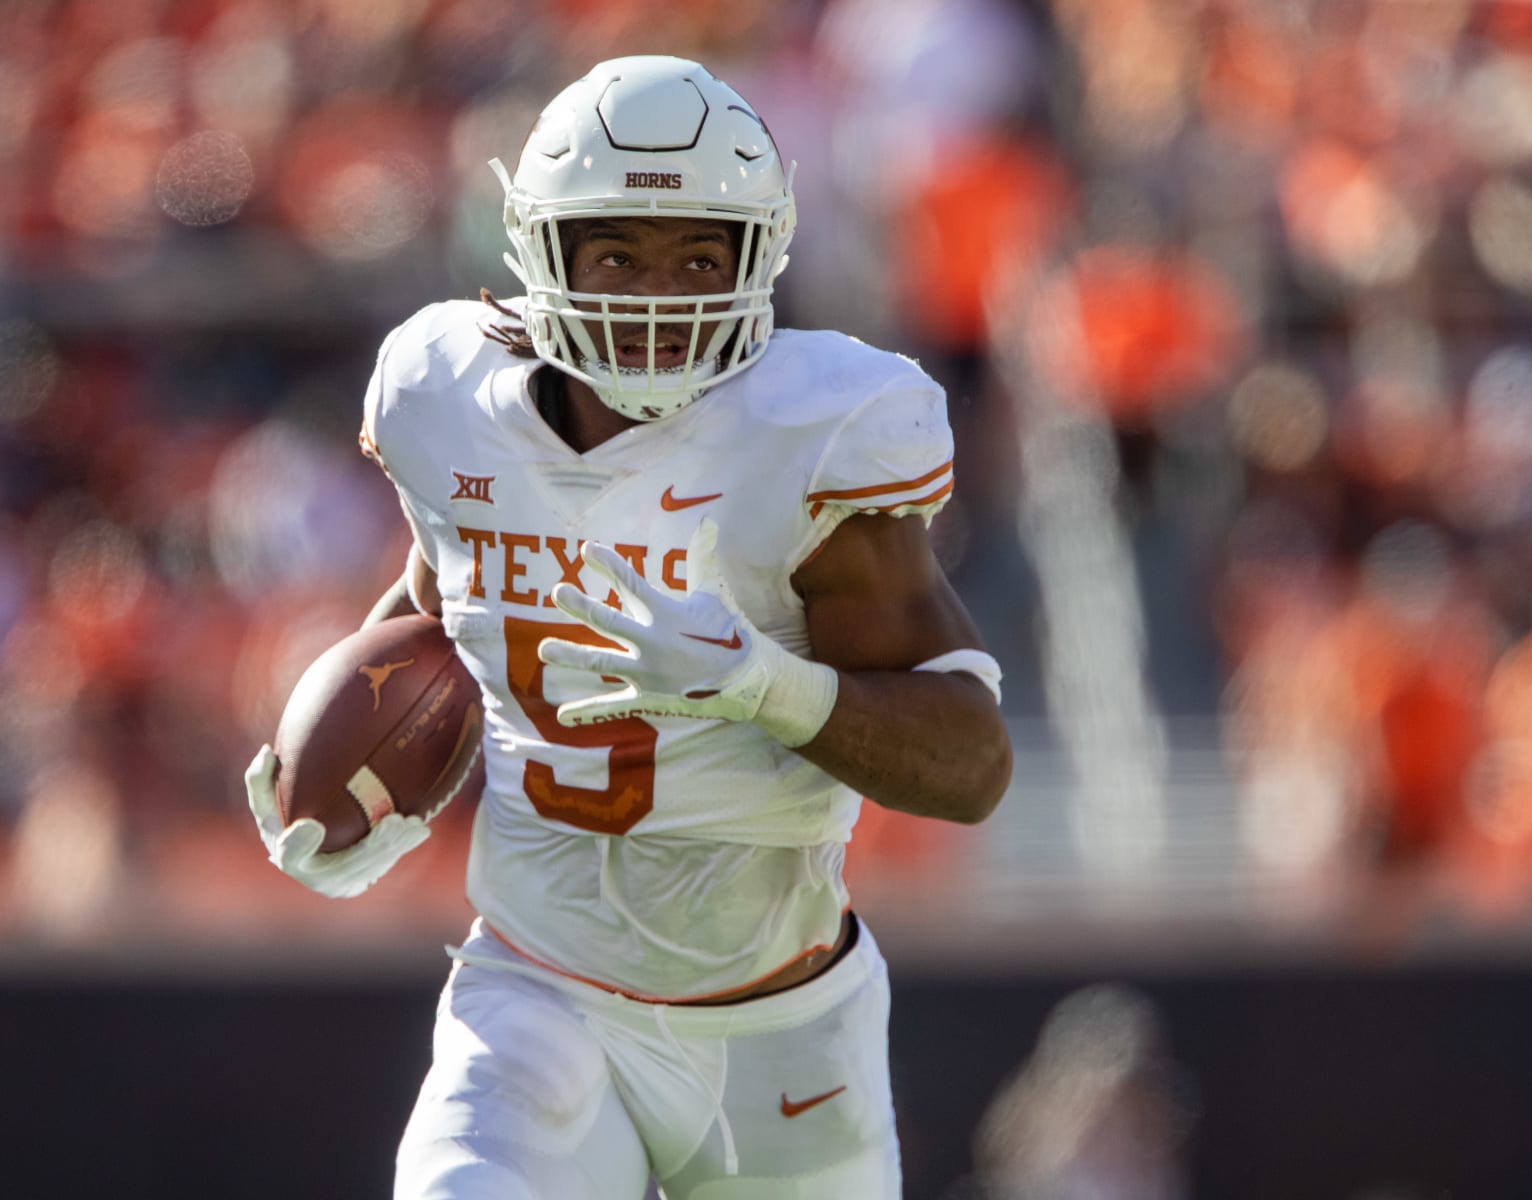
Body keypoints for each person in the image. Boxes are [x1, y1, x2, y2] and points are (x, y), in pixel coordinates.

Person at [245, 55, 1012, 1199]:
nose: (657, 297)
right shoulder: (446, 399)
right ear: (539, 249)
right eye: (616, 251)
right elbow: (438, 615)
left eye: (699, 255)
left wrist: (763, 686)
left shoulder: (809, 434)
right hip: (536, 993)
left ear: (759, 258)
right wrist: (376, 792)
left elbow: (972, 765)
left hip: (778, 1029)